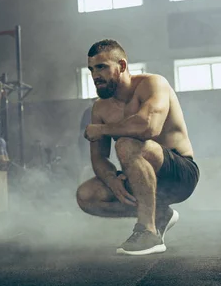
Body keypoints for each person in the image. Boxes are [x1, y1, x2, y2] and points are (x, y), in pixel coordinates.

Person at [75, 39, 199, 256]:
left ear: (121, 66)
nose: (95, 75)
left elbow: (148, 128)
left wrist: (103, 130)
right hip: (141, 177)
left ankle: (148, 232)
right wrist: (113, 180)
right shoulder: (100, 108)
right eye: (91, 69)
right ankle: (159, 214)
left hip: (179, 175)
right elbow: (99, 158)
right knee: (87, 195)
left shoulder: (152, 84)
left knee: (125, 143)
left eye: (102, 67)